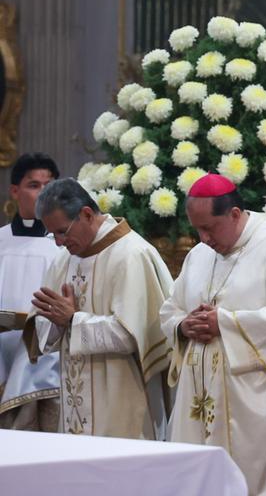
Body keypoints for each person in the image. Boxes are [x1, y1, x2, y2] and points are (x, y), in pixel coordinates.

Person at [160, 173, 266, 496]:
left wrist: (223, 323)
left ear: (235, 214)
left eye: (209, 228)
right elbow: (170, 308)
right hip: (197, 399)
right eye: (197, 229)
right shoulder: (199, 256)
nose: (203, 238)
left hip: (255, 409)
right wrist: (183, 326)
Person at [22, 178, 172, 439]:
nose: (58, 242)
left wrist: (72, 320)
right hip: (73, 401)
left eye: (62, 231)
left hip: (121, 395)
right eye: (52, 234)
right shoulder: (64, 260)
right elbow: (45, 326)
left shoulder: (131, 255)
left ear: (87, 214)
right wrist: (57, 322)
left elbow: (133, 335)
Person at [0, 153, 61, 431]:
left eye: (48, 186)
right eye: (33, 185)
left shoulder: (63, 245)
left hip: (44, 361)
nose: (42, 194)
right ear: (15, 191)